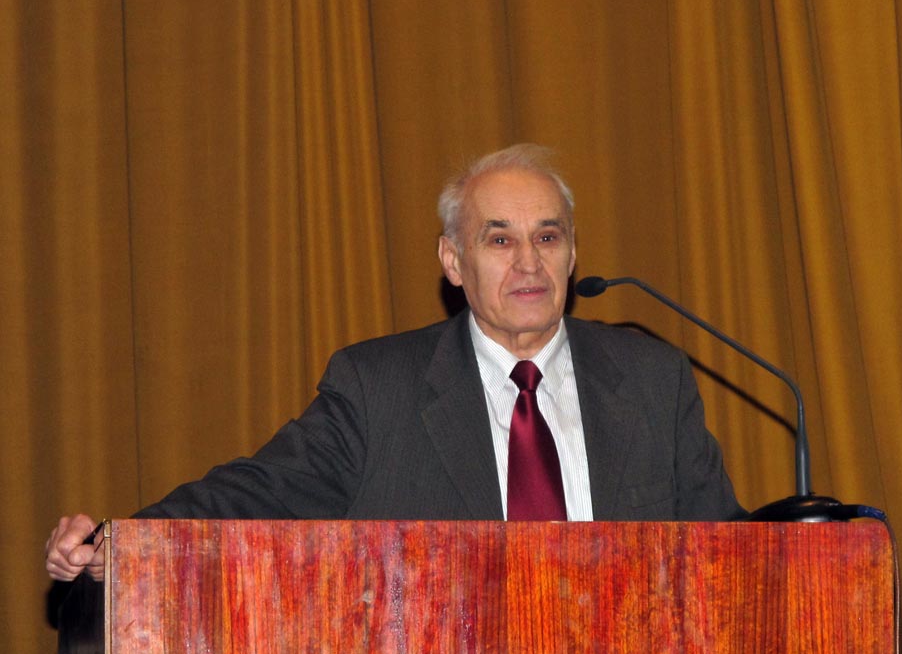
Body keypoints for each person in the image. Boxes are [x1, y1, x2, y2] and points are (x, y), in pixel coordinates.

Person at [45, 143, 744, 584]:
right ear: (453, 261)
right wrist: (124, 545)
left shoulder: (651, 380)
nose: (529, 263)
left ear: (572, 253)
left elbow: (732, 554)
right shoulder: (378, 388)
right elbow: (262, 494)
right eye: (500, 240)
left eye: (547, 237)